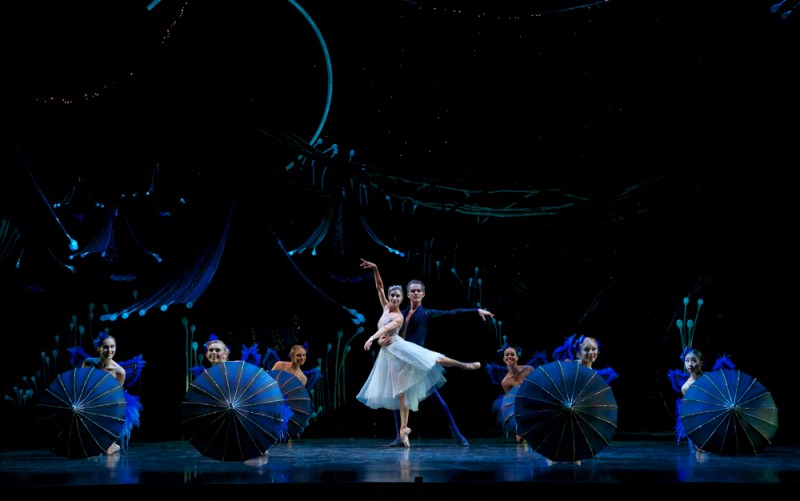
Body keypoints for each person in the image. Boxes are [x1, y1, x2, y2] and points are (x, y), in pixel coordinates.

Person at [356, 258, 482, 448]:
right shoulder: (399, 310)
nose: (415, 293)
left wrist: (475, 310)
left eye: (418, 291)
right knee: (397, 396)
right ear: (406, 294)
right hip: (397, 359)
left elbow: (452, 313)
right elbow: (387, 323)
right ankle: (400, 436)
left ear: (423, 294)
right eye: (412, 291)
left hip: (415, 359)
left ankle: (456, 432)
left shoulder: (426, 313)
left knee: (435, 399)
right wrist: (381, 341)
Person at [82, 331, 143, 456]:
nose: (109, 350)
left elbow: (116, 396)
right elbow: (83, 384)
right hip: (90, 400)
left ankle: (114, 446)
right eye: (105, 347)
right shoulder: (89, 363)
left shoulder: (119, 372)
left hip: (109, 406)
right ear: (98, 348)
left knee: (107, 452)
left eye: (112, 347)